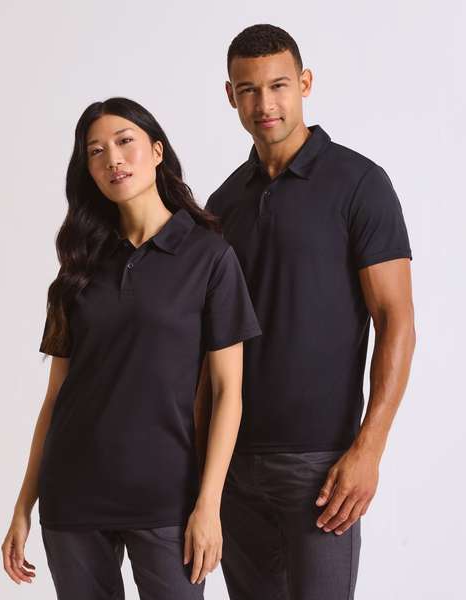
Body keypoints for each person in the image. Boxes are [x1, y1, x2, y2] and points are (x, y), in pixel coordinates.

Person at [0, 97, 262, 600]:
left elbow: (229, 392)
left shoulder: (210, 256)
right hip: (73, 494)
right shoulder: (78, 265)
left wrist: (209, 505)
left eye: (125, 142)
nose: (113, 159)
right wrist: (22, 506)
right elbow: (56, 397)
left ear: (157, 151)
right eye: (96, 151)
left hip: (167, 498)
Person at [197, 24, 416, 599]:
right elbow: (209, 342)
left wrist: (369, 448)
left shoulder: (359, 183)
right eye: (249, 89)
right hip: (233, 463)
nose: (264, 104)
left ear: (305, 84)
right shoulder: (224, 203)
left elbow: (396, 320)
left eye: (278, 85)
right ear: (230, 96)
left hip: (321, 465)